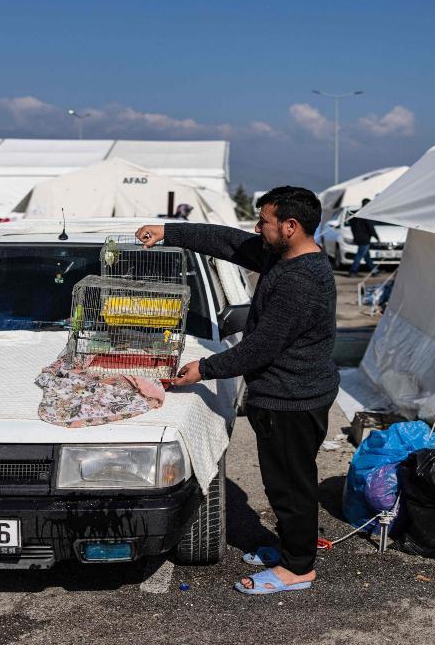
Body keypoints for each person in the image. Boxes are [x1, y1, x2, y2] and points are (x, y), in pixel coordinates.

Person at [136, 186, 338, 596]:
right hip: (287, 393)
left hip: (293, 400)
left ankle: (298, 568)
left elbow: (260, 347)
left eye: (263, 221)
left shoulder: (302, 282)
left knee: (290, 485)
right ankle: (290, 549)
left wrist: (203, 370)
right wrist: (167, 231)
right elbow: (227, 241)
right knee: (285, 480)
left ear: (291, 226)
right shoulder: (281, 253)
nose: (256, 228)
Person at [347, 198, 380, 277]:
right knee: (359, 255)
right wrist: (377, 237)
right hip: (365, 239)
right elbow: (370, 227)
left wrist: (355, 236)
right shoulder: (366, 214)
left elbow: (352, 225)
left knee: (366, 255)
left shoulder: (356, 214)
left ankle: (374, 270)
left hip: (358, 238)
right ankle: (353, 271)